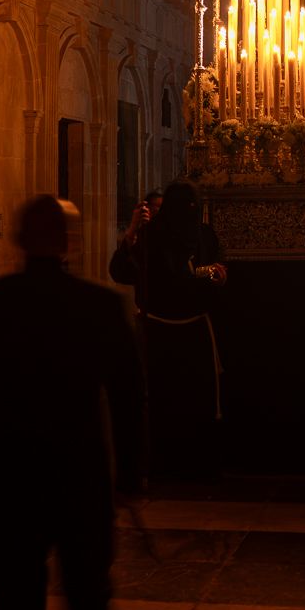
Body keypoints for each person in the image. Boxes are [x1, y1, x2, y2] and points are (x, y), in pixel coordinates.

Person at [0, 196, 144, 610]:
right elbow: (128, 395)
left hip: (10, 474)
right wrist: (130, 472)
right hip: (79, 475)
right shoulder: (100, 306)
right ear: (71, 241)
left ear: (19, 238)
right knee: (90, 607)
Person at [137, 180, 226, 478]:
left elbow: (213, 266)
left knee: (191, 401)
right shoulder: (150, 238)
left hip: (187, 331)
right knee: (166, 400)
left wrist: (216, 275)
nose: (190, 212)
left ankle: (193, 463)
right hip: (165, 331)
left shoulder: (202, 236)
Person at [107, 188, 163, 305]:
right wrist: (133, 226)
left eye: (162, 208)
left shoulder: (173, 238)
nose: (158, 211)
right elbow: (118, 272)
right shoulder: (142, 237)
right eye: (154, 208)